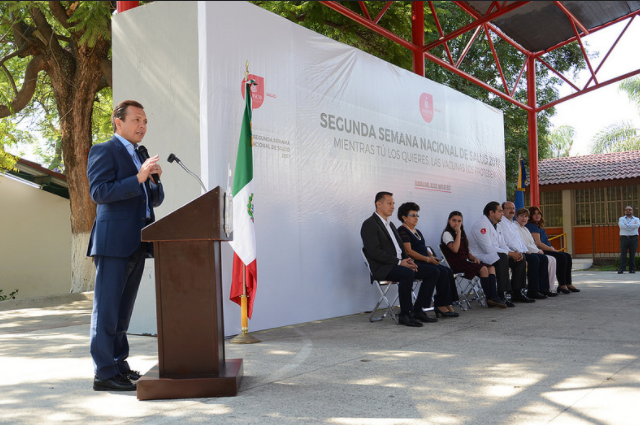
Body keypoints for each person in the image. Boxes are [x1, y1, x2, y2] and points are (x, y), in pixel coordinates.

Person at [87, 100, 165, 391]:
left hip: (137, 241)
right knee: (106, 310)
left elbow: (153, 200)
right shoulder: (104, 150)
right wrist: (138, 177)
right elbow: (99, 192)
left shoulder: (139, 154)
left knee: (122, 312)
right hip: (112, 243)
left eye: (145, 121)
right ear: (118, 122)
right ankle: (104, 374)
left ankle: (118, 365)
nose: (142, 126)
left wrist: (154, 181)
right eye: (136, 120)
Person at [361, 192, 438, 327]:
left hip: (399, 264)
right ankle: (405, 314)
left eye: (393, 203)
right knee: (407, 273)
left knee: (433, 271)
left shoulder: (390, 225)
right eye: (389, 203)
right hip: (383, 267)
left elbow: (401, 249)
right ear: (379, 204)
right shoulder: (370, 224)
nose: (392, 206)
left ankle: (418, 310)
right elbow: (374, 252)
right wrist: (399, 262)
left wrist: (408, 261)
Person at [396, 202, 459, 318]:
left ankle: (444, 303)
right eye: (412, 215)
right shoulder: (402, 231)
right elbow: (408, 251)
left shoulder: (417, 231)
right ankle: (420, 308)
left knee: (447, 271)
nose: (416, 218)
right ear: (404, 217)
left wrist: (430, 256)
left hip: (424, 261)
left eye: (417, 215)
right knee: (436, 272)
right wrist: (427, 259)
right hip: (413, 264)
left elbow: (423, 248)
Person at [468, 202, 534, 305]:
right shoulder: (481, 225)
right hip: (480, 256)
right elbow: (488, 249)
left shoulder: (497, 225)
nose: (502, 213)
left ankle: (517, 292)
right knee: (503, 257)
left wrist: (514, 253)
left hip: (494, 255)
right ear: (491, 213)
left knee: (521, 258)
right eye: (500, 211)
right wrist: (509, 253)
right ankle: (501, 294)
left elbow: (502, 245)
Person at [440, 211, 506, 308]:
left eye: (459, 221)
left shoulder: (461, 234)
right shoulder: (447, 234)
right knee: (483, 268)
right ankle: (489, 298)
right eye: (454, 220)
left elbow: (466, 252)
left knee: (491, 267)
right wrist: (458, 233)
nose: (456, 223)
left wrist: (473, 258)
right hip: (456, 263)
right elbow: (455, 249)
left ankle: (494, 296)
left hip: (465, 261)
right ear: (449, 221)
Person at [499, 202, 554, 299]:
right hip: (511, 252)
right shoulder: (502, 223)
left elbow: (519, 241)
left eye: (513, 208)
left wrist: (524, 250)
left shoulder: (512, 224)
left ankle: (542, 288)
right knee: (534, 259)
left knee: (542, 258)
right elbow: (508, 242)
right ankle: (529, 291)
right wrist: (521, 251)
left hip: (520, 251)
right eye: (508, 208)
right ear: (503, 211)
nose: (511, 210)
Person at [526, 206, 579, 294]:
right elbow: (538, 243)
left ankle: (568, 283)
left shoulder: (539, 226)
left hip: (546, 248)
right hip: (539, 250)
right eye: (534, 214)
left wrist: (552, 249)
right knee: (561, 257)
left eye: (538, 213)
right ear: (530, 216)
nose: (537, 216)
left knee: (567, 256)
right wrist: (552, 250)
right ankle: (562, 285)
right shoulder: (531, 226)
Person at [514, 208, 558, 297]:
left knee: (547, 258)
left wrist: (539, 250)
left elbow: (532, 243)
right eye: (521, 216)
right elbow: (523, 244)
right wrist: (537, 251)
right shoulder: (515, 227)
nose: (524, 218)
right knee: (537, 259)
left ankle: (544, 288)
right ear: (516, 217)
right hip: (522, 251)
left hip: (530, 250)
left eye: (526, 216)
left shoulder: (525, 229)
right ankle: (533, 290)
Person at [618, 206, 639, 274]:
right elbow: (621, 226)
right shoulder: (621, 218)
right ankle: (621, 269)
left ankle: (632, 269)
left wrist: (627, 225)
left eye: (630, 210)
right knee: (623, 254)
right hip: (624, 238)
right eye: (626, 210)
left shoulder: (636, 219)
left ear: (632, 211)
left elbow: (637, 226)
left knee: (632, 254)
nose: (628, 211)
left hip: (633, 238)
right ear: (625, 211)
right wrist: (632, 226)